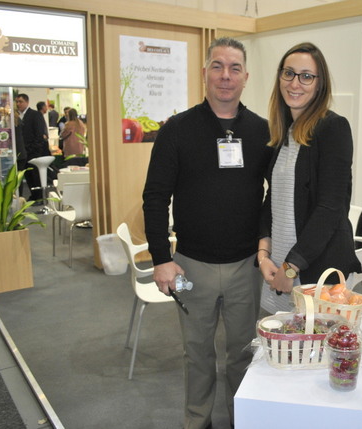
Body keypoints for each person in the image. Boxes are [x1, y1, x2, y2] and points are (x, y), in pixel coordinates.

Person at [142, 37, 271, 429]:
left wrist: (265, 246)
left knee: (242, 353)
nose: (225, 76)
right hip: (189, 267)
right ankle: (198, 421)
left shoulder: (262, 131)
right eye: (217, 66)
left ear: (246, 77)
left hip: (245, 268)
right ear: (204, 73)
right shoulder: (177, 130)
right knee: (196, 352)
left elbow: (275, 194)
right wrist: (161, 258)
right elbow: (155, 196)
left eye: (234, 68)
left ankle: (241, 419)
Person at [257, 42, 361, 314]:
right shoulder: (284, 132)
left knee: (319, 338)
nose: (295, 83)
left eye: (306, 76)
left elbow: (330, 208)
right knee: (286, 335)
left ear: (319, 84)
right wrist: (264, 254)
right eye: (288, 73)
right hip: (281, 262)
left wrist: (291, 268)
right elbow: (273, 198)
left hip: (317, 269)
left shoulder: (333, 128)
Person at [16, 94, 50, 201]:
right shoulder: (17, 116)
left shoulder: (35, 114)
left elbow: (39, 134)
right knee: (28, 175)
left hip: (33, 151)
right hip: (22, 152)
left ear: (27, 102)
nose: (18, 104)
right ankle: (34, 196)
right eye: (17, 102)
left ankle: (39, 197)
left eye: (20, 101)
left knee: (35, 175)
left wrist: (33, 149)